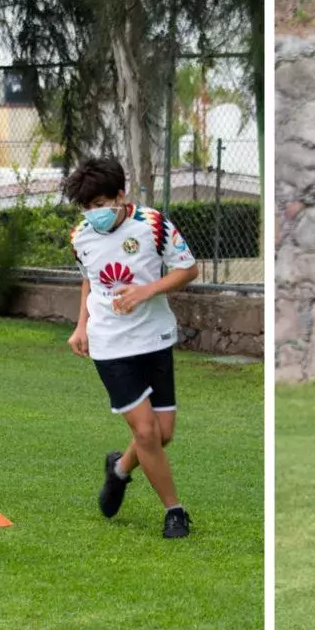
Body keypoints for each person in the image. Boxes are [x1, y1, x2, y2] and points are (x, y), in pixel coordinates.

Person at [63, 157, 199, 539]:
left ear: (121, 196)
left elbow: (188, 269)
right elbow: (90, 281)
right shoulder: (80, 237)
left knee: (164, 431)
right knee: (145, 432)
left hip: (154, 337)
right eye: (87, 208)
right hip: (109, 344)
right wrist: (81, 326)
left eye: (101, 204)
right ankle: (174, 511)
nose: (94, 214)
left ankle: (119, 470)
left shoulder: (154, 225)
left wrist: (145, 291)